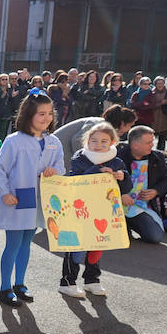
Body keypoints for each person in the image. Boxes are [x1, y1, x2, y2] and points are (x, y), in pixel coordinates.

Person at [0, 90, 63, 307]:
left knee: (27, 242)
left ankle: (20, 284)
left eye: (49, 113)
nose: (46, 118)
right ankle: (4, 287)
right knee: (13, 243)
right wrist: (5, 193)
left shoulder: (54, 142)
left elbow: (61, 166)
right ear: (28, 114)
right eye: (41, 113)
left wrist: (53, 171)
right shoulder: (14, 141)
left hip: (39, 200)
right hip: (17, 199)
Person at [59, 122, 130, 299]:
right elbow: (75, 181)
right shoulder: (79, 158)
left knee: (98, 245)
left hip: (103, 211)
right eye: (94, 141)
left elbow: (127, 187)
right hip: (80, 210)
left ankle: (92, 280)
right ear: (87, 141)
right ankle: (68, 281)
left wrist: (122, 176)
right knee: (76, 247)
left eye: (104, 141)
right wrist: (97, 170)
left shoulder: (117, 160)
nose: (98, 145)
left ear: (112, 142)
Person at [114, 126, 167, 244]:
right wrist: (121, 194)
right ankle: (123, 225)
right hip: (116, 206)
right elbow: (107, 181)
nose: (152, 145)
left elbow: (166, 180)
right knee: (118, 239)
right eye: (148, 142)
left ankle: (130, 224)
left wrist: (156, 191)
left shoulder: (157, 157)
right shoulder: (117, 157)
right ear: (135, 145)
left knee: (155, 237)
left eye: (152, 141)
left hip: (141, 206)